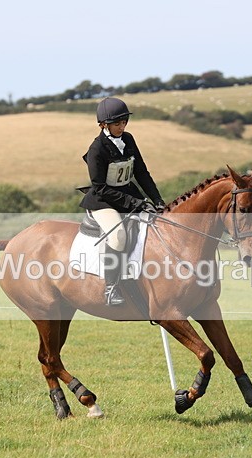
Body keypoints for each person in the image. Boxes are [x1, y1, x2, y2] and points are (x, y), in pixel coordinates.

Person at [80, 97, 166, 306]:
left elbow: (141, 172)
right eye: (117, 123)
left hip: (128, 195)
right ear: (103, 125)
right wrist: (133, 202)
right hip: (103, 201)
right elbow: (100, 187)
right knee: (118, 236)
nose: (122, 126)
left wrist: (157, 199)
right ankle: (111, 287)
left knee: (157, 225)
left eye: (124, 122)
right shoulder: (96, 149)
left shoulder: (128, 139)